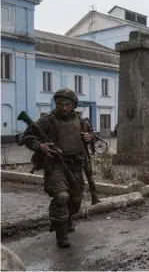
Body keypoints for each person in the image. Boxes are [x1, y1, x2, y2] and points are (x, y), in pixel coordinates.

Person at [22, 88, 93, 248]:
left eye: (67, 104)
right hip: (55, 165)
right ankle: (62, 236)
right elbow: (25, 137)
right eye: (60, 104)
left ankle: (64, 218)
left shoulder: (82, 121)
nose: (63, 107)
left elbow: (91, 138)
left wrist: (89, 138)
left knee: (75, 201)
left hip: (75, 165)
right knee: (61, 197)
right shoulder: (48, 120)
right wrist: (40, 146)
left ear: (73, 105)